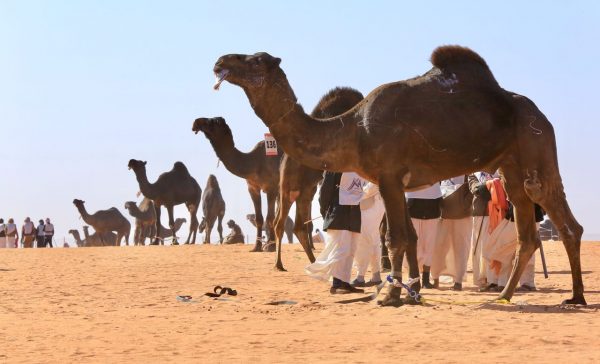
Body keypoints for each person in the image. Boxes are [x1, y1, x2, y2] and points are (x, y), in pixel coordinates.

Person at [305, 171, 364, 294]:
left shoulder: (359, 164)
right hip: (339, 213)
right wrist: (326, 212)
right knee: (340, 250)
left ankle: (345, 282)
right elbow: (325, 192)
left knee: (351, 250)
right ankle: (336, 284)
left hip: (354, 214)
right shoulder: (335, 166)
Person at [431, 176, 473, 291]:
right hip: (443, 216)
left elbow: (472, 190)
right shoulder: (442, 173)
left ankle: (458, 282)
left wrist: (465, 205)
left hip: (463, 217)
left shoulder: (467, 173)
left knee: (461, 249)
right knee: (438, 247)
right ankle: (435, 278)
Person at [405, 183, 442, 288]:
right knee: (414, 246)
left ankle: (425, 280)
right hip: (413, 208)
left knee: (429, 246)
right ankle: (414, 277)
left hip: (432, 209)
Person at [352, 181, 386, 287]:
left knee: (364, 241)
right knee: (373, 241)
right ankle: (376, 276)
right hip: (376, 205)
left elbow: (372, 185)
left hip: (370, 207)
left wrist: (353, 195)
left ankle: (360, 277)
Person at [468, 172, 495, 291]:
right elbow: (475, 188)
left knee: (495, 246)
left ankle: (494, 278)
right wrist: (491, 185)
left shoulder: (499, 172)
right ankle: (482, 278)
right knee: (479, 247)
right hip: (479, 214)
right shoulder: (474, 173)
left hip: (498, 213)